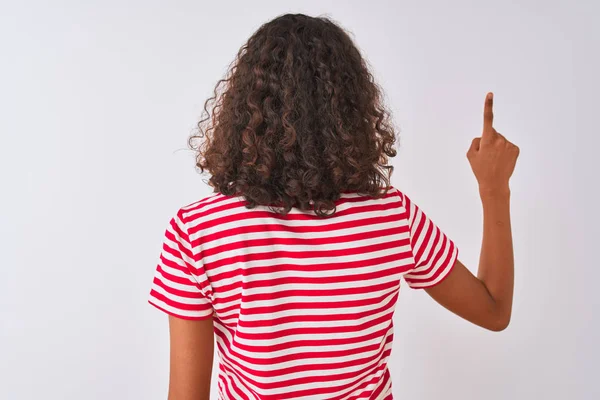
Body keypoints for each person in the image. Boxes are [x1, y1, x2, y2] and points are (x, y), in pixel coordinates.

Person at [147, 13, 520, 400]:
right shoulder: (392, 216)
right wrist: (495, 189)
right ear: (350, 108)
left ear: (245, 109)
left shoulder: (197, 231)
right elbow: (493, 310)